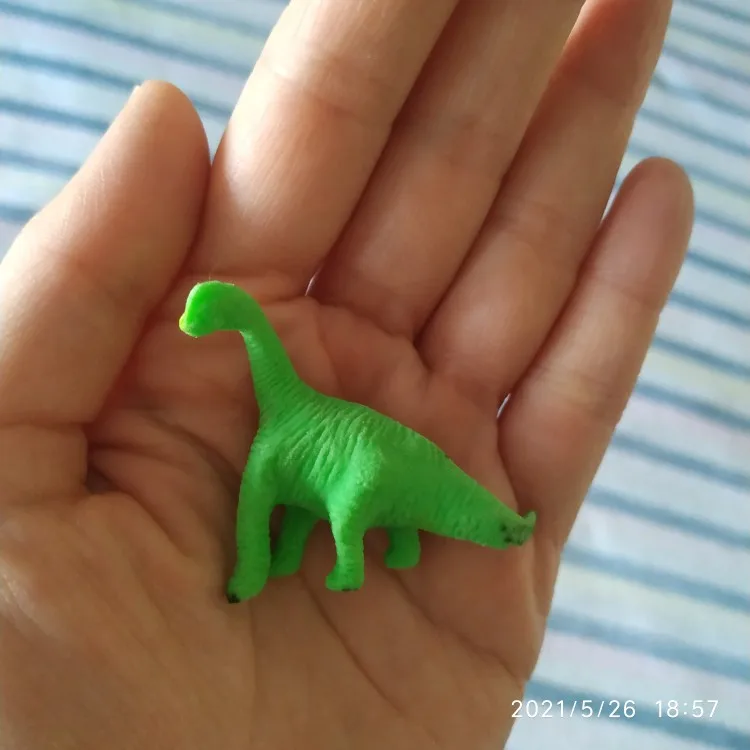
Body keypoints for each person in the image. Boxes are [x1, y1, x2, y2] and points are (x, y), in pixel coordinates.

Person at [0, 0, 693, 748]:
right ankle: (335, 550)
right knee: (302, 500)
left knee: (344, 490)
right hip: (340, 480)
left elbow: (337, 477)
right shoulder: (278, 437)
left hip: (366, 470)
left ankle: (361, 554)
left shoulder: (278, 445)